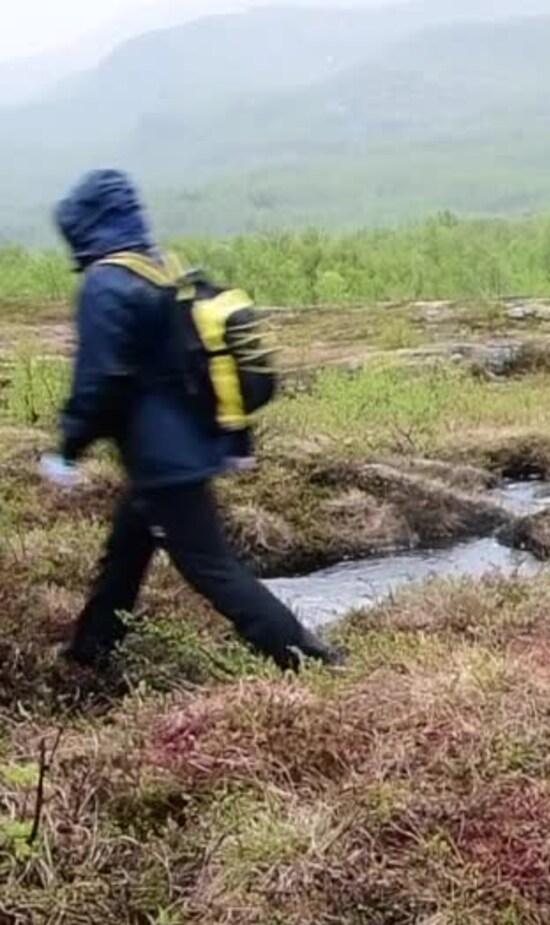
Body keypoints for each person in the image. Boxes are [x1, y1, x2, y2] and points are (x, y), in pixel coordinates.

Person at [39, 169, 339, 673]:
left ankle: (310, 660)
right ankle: (88, 654)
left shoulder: (107, 283)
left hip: (162, 460)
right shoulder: (157, 269)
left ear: (85, 225)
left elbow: (102, 379)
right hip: (181, 448)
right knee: (126, 553)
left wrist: (68, 447)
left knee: (212, 568)